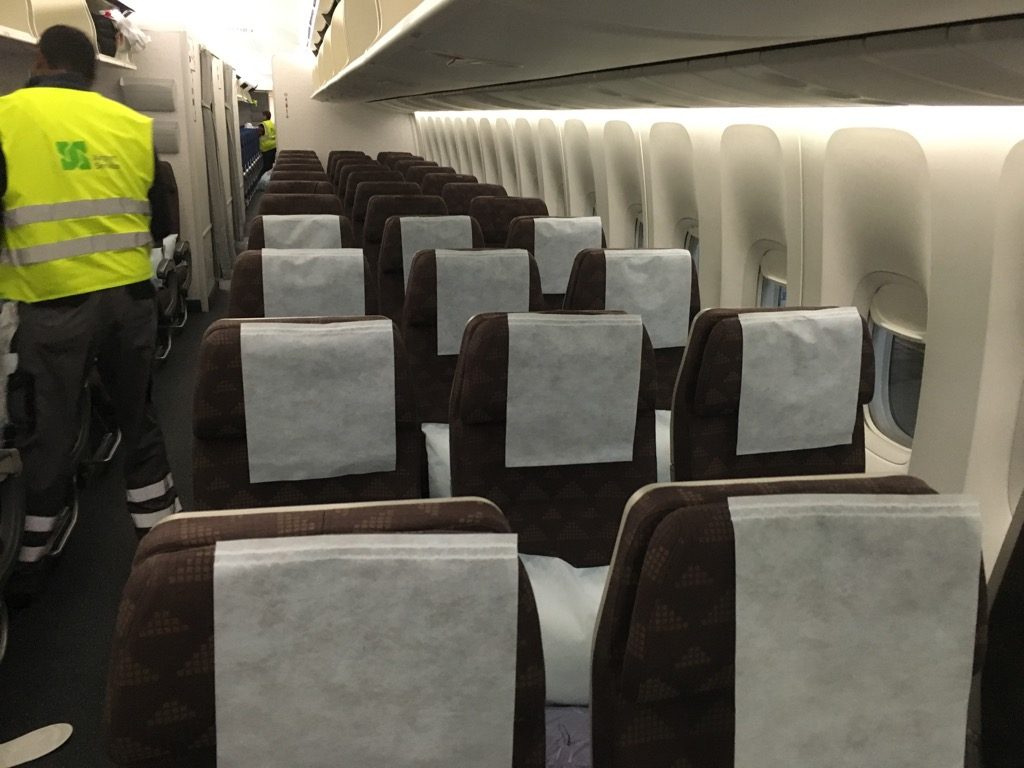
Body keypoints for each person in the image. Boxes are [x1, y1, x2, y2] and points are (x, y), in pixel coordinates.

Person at [0, 25, 179, 591]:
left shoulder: (6, 118)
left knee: (46, 431)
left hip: (51, 304)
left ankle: (33, 555)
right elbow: (161, 223)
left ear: (38, 59)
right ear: (94, 68)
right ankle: (163, 540)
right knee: (139, 417)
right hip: (131, 300)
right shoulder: (131, 125)